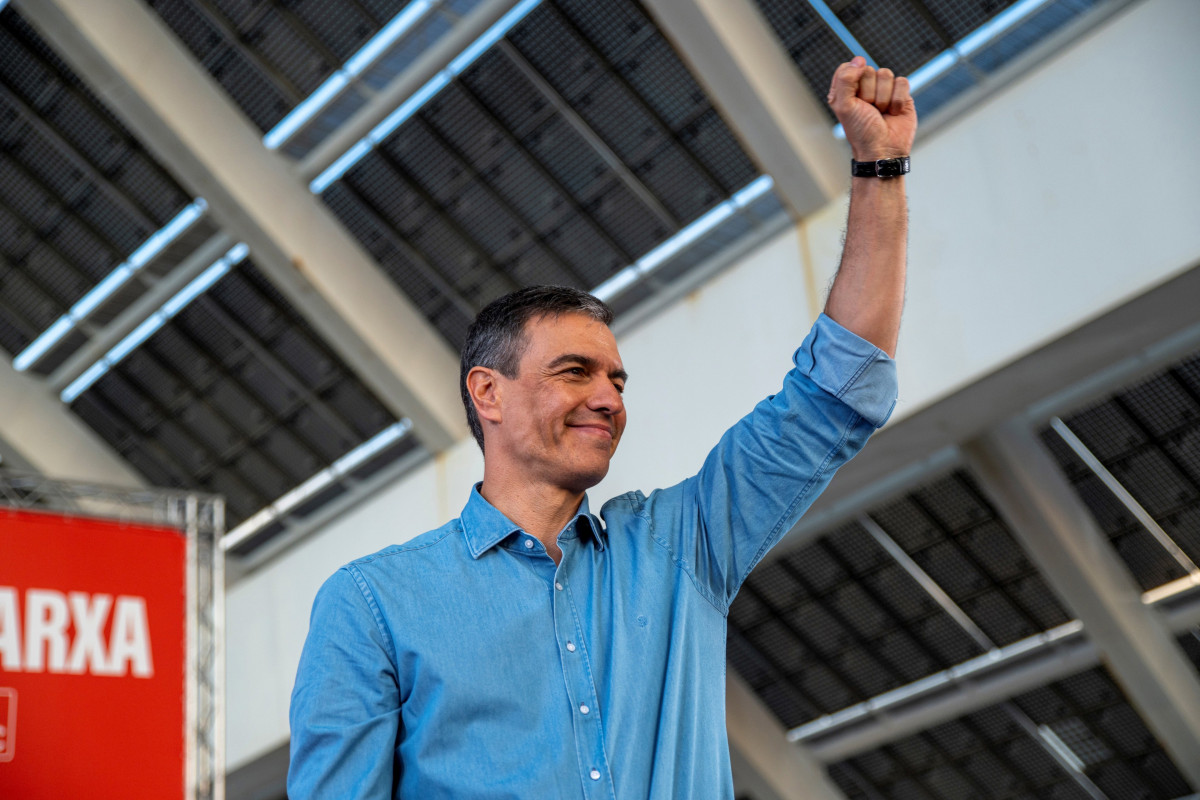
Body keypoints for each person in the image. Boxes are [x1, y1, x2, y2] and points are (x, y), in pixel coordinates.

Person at [288, 56, 915, 799]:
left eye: (617, 380)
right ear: (487, 393)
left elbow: (836, 390)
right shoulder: (372, 604)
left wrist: (882, 167)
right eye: (574, 372)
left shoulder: (683, 548)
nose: (610, 398)